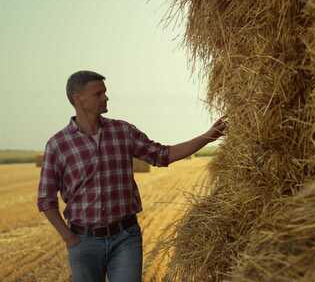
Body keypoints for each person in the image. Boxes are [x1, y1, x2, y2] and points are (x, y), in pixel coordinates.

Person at [37, 70, 226, 282]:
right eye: (98, 94)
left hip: (125, 238)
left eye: (105, 92)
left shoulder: (123, 131)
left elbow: (163, 155)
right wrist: (69, 238)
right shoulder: (58, 145)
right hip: (84, 242)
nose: (106, 97)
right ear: (78, 99)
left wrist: (208, 136)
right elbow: (46, 200)